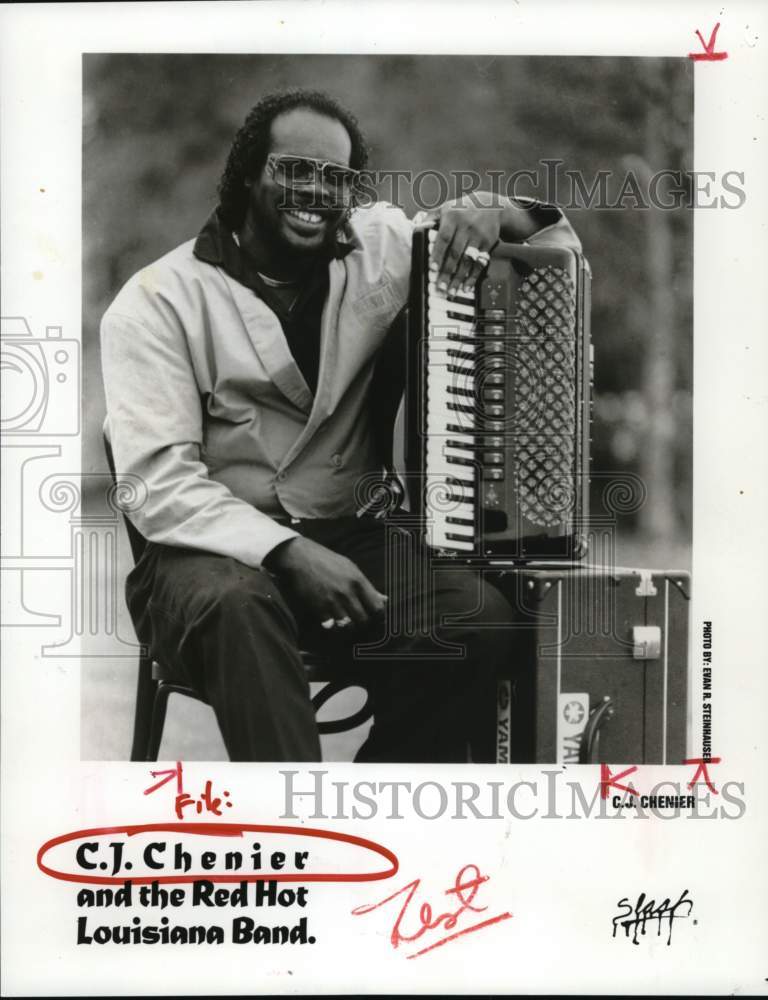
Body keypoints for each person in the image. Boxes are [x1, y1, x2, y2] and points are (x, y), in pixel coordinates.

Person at [101, 88, 581, 762]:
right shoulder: (154, 303)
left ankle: (379, 824)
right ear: (245, 174)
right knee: (240, 608)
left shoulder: (380, 245)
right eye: (294, 168)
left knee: (476, 617)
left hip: (349, 538)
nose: (317, 191)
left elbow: (548, 244)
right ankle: (299, 837)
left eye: (338, 178)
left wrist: (489, 208)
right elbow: (155, 486)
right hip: (204, 560)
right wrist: (286, 552)